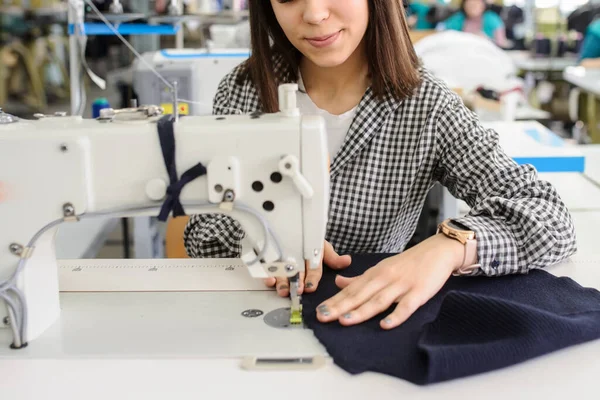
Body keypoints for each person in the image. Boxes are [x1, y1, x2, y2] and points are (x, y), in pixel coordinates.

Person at [183, 0, 576, 329]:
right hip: (244, 315)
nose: (315, 14)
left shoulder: (427, 107)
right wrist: (262, 235)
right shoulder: (244, 90)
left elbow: (548, 216)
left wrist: (447, 247)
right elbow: (202, 231)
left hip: (368, 323)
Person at [442, 0, 507, 47]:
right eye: (470, 4)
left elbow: (501, 43)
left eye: (476, 4)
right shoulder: (457, 18)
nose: (473, 6)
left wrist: (487, 40)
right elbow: (446, 36)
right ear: (464, 5)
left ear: (483, 5)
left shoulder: (492, 19)